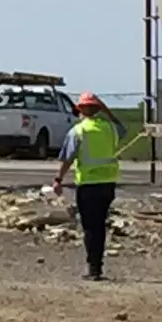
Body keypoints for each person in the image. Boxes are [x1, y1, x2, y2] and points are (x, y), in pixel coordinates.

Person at [51, 92, 127, 281]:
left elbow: (67, 159)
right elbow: (121, 128)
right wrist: (105, 108)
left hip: (88, 185)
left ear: (80, 110)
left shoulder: (78, 131)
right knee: (99, 225)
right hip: (108, 184)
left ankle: (94, 269)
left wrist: (58, 180)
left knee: (90, 228)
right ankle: (97, 266)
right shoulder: (109, 128)